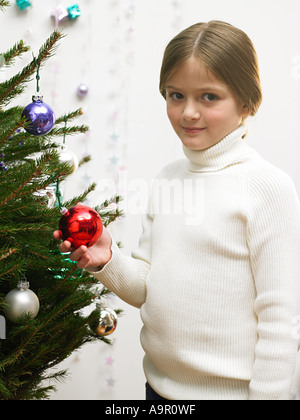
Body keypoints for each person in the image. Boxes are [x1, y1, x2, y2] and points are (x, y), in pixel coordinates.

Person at [54, 21, 300, 400]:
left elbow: (282, 321)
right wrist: (108, 259)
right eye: (175, 95)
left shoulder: (267, 187)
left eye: (209, 97)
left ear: (247, 101)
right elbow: (147, 289)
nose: (188, 112)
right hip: (159, 391)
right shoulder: (168, 179)